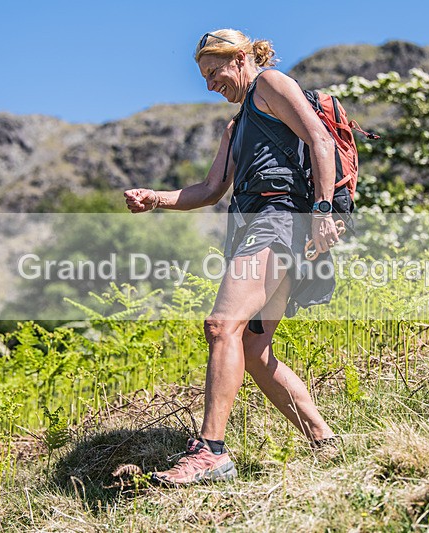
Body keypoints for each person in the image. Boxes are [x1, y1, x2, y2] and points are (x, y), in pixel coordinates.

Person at [124, 29, 342, 485]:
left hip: (278, 222)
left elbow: (321, 141)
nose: (209, 85)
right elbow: (208, 189)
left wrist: (322, 210)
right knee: (253, 349)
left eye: (213, 72)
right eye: (203, 77)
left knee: (222, 326)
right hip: (266, 229)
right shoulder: (236, 123)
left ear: (241, 58)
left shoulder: (271, 84)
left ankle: (211, 452)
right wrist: (155, 198)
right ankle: (326, 443)